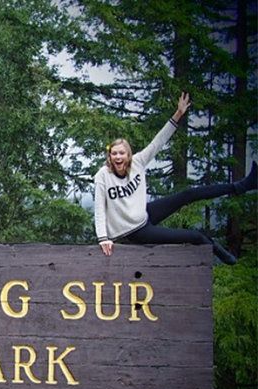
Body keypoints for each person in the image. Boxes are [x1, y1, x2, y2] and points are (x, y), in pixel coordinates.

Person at [94, 92, 257, 264]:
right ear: (109, 156)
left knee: (187, 195)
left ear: (129, 155)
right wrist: (103, 238)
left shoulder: (138, 162)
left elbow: (159, 141)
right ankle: (225, 256)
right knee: (194, 236)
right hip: (133, 231)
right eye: (114, 154)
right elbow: (99, 209)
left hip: (143, 214)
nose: (118, 157)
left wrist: (178, 113)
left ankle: (242, 186)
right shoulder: (103, 176)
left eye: (121, 153)